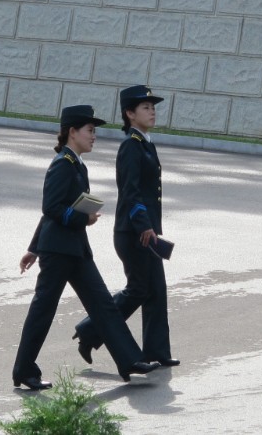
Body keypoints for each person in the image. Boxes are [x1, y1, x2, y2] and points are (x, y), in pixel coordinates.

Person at [11, 104, 158, 390]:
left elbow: (52, 212)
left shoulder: (77, 164)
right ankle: (24, 370)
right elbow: (51, 207)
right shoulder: (62, 165)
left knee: (104, 306)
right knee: (43, 311)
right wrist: (83, 218)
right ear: (72, 132)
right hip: (59, 253)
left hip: (75, 250)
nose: (94, 136)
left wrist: (33, 248)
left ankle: (130, 361)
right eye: (90, 130)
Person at [72, 85, 179, 368]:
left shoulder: (144, 143)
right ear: (130, 114)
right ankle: (89, 330)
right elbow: (130, 191)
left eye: (153, 107)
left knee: (155, 289)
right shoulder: (130, 147)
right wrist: (144, 225)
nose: (152, 111)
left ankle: (157, 351)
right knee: (139, 289)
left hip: (148, 231)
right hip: (133, 233)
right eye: (145, 107)